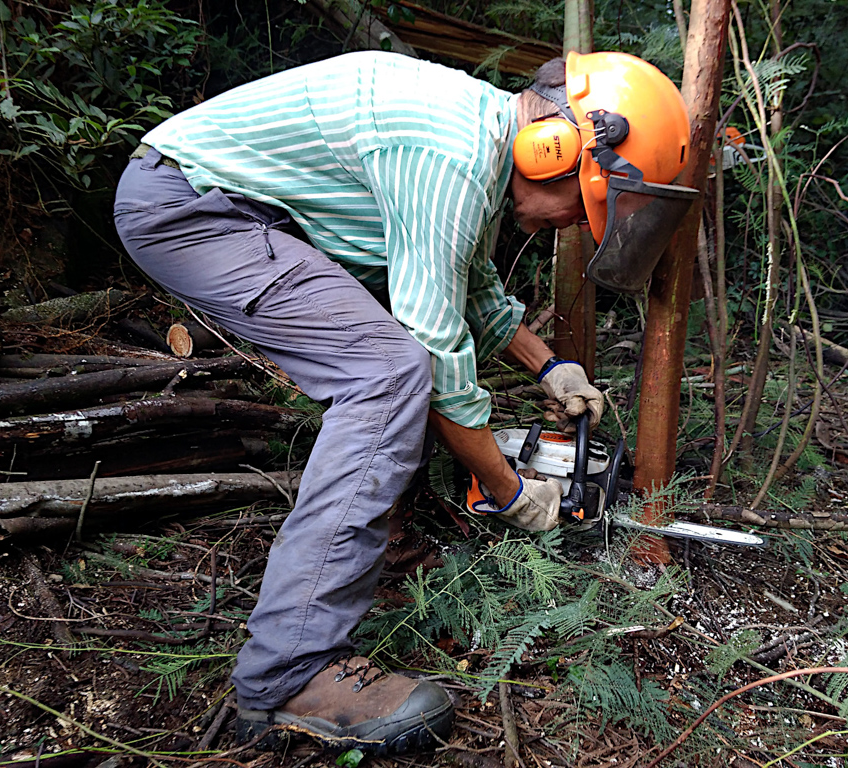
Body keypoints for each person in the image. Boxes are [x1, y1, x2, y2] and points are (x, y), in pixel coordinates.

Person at [113, 49, 695, 756]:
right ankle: (289, 673)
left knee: (392, 364)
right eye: (585, 204)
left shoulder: (472, 141)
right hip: (193, 211)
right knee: (389, 374)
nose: (575, 223)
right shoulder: (448, 157)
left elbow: (469, 286)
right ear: (553, 150)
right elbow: (437, 354)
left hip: (221, 204)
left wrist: (552, 368)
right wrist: (512, 492)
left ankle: (374, 553)